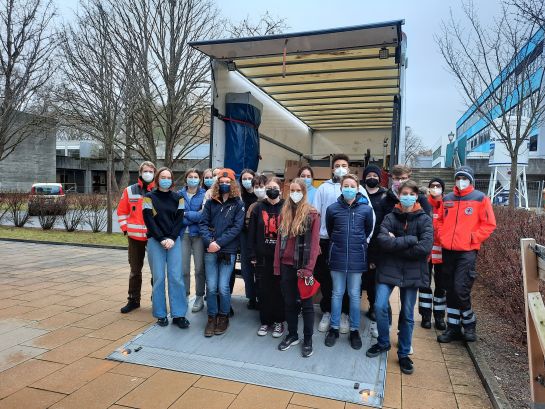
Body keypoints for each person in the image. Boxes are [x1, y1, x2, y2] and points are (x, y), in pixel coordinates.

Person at [366, 180, 433, 375]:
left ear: (417, 196)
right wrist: (411, 240)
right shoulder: (390, 216)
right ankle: (383, 342)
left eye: (412, 193)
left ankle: (404, 353)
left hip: (412, 272)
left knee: (407, 314)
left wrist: (398, 245)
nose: (408, 197)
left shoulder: (424, 219)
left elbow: (424, 247)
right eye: (405, 193)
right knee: (379, 306)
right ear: (399, 194)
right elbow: (383, 241)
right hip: (388, 269)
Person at [312, 154, 374, 333]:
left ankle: (345, 315)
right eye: (337, 165)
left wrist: (363, 241)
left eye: (343, 165)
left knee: (352, 290)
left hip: (354, 246)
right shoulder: (324, 188)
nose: (340, 168)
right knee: (329, 283)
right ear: (332, 168)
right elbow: (320, 217)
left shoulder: (361, 195)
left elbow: (369, 223)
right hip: (330, 243)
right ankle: (328, 313)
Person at [436, 166, 496, 343]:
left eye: (464, 178)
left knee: (460, 289)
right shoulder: (447, 198)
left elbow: (489, 224)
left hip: (467, 251)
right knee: (450, 290)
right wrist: (441, 235)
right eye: (458, 177)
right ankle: (453, 328)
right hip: (448, 250)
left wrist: (473, 238)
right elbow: (439, 220)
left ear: (470, 180)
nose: (461, 181)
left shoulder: (480, 198)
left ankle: (469, 324)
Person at [325, 174, 374, 350]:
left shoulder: (366, 210)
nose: (349, 188)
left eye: (352, 186)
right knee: (337, 293)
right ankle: (334, 328)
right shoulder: (332, 209)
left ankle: (354, 330)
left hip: (357, 258)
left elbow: (368, 230)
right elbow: (331, 231)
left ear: (358, 188)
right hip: (337, 256)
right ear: (341, 188)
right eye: (346, 185)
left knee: (354, 295)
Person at [274, 178, 320, 357]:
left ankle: (307, 339)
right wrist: (277, 265)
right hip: (286, 265)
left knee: (307, 305)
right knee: (289, 303)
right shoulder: (283, 213)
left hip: (303, 267)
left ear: (304, 192)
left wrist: (309, 268)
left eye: (297, 190)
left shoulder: (312, 214)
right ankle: (292, 335)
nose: (294, 193)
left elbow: (315, 244)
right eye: (291, 190)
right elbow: (279, 242)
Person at [200, 168, 245, 337]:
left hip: (227, 250)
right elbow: (203, 223)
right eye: (222, 182)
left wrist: (218, 243)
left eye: (228, 182)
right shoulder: (211, 202)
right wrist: (209, 242)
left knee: (223, 287)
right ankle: (212, 317)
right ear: (217, 183)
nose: (225, 184)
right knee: (211, 287)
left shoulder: (238, 204)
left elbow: (236, 228)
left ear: (233, 184)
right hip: (210, 248)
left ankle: (223, 316)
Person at [142, 168, 188, 328]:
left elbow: (179, 220)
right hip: (156, 241)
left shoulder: (179, 197)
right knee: (159, 278)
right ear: (157, 179)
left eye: (169, 177)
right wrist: (161, 239)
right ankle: (160, 314)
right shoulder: (148, 197)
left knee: (176, 277)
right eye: (163, 177)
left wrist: (172, 238)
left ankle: (179, 314)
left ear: (172, 180)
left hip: (174, 241)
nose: (166, 179)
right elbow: (149, 220)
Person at [248, 176, 285, 338]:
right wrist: (252, 254)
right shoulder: (258, 208)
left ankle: (278, 321)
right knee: (263, 289)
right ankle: (265, 321)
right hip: (262, 257)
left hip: (281, 258)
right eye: (268, 187)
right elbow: (252, 234)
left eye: (274, 187)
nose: (271, 190)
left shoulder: (286, 207)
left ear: (281, 190)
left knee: (279, 290)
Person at [117, 161, 156, 314]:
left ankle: (157, 300)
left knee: (156, 271)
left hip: (153, 236)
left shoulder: (159, 190)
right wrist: (125, 228)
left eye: (151, 171)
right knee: (135, 271)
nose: (148, 173)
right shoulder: (129, 191)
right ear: (140, 173)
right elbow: (122, 212)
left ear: (154, 173)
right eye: (145, 171)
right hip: (134, 238)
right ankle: (133, 300)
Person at [418, 178, 447, 330]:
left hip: (442, 250)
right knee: (424, 284)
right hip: (426, 249)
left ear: (442, 188)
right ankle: (425, 315)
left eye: (438, 186)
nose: (435, 188)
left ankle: (440, 317)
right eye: (432, 186)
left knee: (441, 286)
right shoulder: (424, 204)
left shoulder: (447, 204)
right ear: (428, 189)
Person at [361, 164, 387, 338]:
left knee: (373, 279)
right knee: (361, 277)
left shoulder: (385, 196)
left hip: (378, 243)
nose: (372, 178)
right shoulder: (359, 193)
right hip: (360, 242)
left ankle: (373, 307)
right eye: (369, 175)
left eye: (375, 175)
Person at [179, 168, 206, 313]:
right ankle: (184, 295)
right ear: (186, 178)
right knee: (184, 268)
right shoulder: (179, 194)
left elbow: (203, 216)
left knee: (199, 268)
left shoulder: (204, 194)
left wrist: (187, 214)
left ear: (199, 180)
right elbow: (177, 216)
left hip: (199, 236)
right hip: (183, 235)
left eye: (196, 177)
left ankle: (199, 296)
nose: (193, 179)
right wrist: (194, 216)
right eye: (190, 176)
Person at [239, 169, 259, 309]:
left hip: (259, 236)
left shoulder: (260, 195)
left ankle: (261, 295)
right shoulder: (239, 196)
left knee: (260, 268)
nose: (247, 181)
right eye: (244, 179)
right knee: (247, 269)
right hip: (244, 236)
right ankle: (251, 297)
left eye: (249, 178)